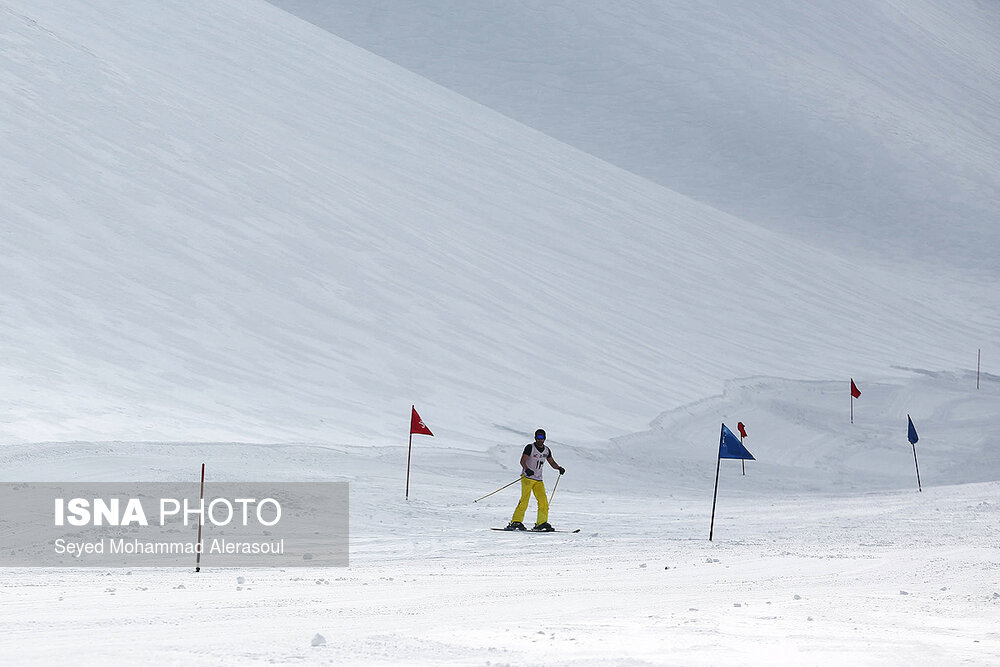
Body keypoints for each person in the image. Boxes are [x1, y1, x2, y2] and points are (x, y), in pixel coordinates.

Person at [505, 428, 565, 531]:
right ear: (535, 437)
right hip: (527, 478)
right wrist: (527, 469)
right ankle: (516, 522)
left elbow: (551, 462)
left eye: (541, 437)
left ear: (544, 438)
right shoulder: (530, 448)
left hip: (538, 480)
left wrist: (559, 468)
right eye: (538, 437)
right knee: (524, 501)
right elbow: (522, 461)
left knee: (543, 502)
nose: (539, 439)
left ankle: (541, 523)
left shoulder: (547, 450)